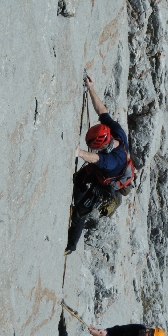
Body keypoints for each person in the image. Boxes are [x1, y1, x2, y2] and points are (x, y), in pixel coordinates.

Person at [65, 73, 134, 254]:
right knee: (80, 178)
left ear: (102, 146)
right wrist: (91, 88)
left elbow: (96, 159)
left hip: (106, 187)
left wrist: (80, 153)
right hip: (101, 173)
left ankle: (71, 247)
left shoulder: (112, 161)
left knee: (80, 213)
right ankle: (77, 199)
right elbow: (102, 111)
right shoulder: (117, 132)